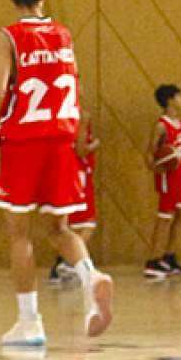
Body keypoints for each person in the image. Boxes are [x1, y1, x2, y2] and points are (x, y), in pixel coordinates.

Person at [0, 0, 112, 347]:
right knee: (60, 229)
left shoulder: (8, 37)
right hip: (61, 140)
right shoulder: (63, 35)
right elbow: (75, 86)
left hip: (25, 141)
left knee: (19, 234)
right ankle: (91, 279)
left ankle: (30, 322)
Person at [144, 84, 181, 279]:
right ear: (169, 100)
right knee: (164, 219)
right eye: (179, 96)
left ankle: (168, 256)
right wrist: (156, 169)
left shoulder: (178, 123)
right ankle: (152, 261)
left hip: (178, 176)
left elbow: (180, 147)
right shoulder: (161, 125)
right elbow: (150, 153)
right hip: (167, 177)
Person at [48, 120, 101, 288]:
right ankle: (67, 263)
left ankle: (63, 263)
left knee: (73, 224)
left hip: (72, 169)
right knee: (87, 222)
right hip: (77, 171)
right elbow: (80, 150)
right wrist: (94, 145)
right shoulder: (82, 116)